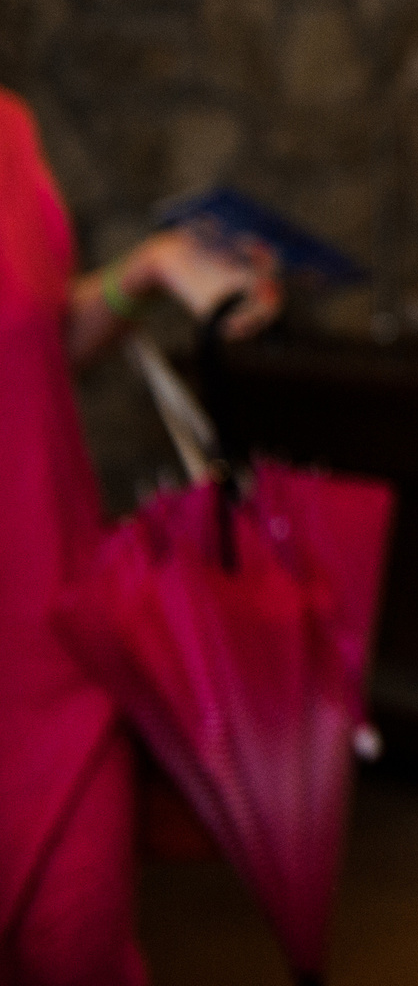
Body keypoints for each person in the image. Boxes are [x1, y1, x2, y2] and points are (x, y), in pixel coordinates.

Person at [1, 91, 279, 985]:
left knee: (81, 946)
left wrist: (148, 273)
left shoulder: (10, 127)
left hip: (58, 648)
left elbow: (31, 350)